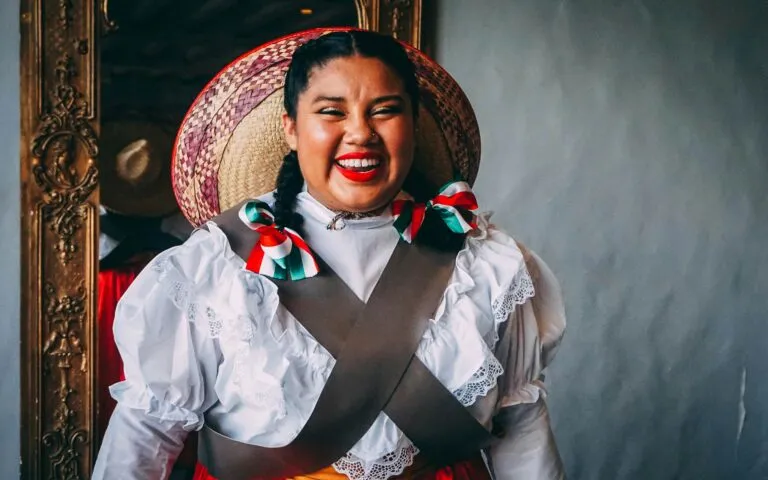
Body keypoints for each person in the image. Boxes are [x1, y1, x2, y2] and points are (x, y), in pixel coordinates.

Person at [93, 28, 567, 480]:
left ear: (412, 124)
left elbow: (520, 424)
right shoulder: (216, 265)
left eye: (385, 110)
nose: (360, 132)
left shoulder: (485, 261)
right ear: (292, 129)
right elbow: (148, 428)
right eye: (332, 111)